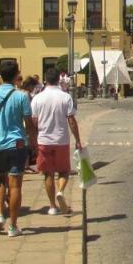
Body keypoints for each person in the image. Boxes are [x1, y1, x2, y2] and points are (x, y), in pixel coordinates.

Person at [0, 61, 33, 237]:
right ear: (16, 74)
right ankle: (13, 226)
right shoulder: (22, 96)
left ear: (1, 75)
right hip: (17, 144)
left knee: (0, 181)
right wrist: (32, 142)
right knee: (15, 184)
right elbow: (29, 122)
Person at [30, 67, 83, 217]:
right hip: (61, 140)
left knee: (47, 174)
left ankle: (52, 206)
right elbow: (71, 120)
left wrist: (37, 135)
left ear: (45, 80)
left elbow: (34, 121)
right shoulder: (65, 97)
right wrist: (78, 140)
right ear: (59, 80)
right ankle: (60, 191)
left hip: (44, 140)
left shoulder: (37, 98)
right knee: (64, 171)